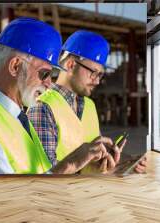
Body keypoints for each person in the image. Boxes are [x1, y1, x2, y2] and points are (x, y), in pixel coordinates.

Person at [0, 18, 110, 174]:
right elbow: (3, 198)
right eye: (44, 73)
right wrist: (70, 163)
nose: (48, 83)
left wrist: (89, 169)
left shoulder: (21, 121)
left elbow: (41, 176)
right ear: (15, 66)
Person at [28, 30, 147, 174]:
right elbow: (45, 177)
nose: (97, 81)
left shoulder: (89, 105)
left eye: (100, 75)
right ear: (71, 65)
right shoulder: (42, 106)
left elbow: (90, 163)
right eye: (94, 72)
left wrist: (125, 161)